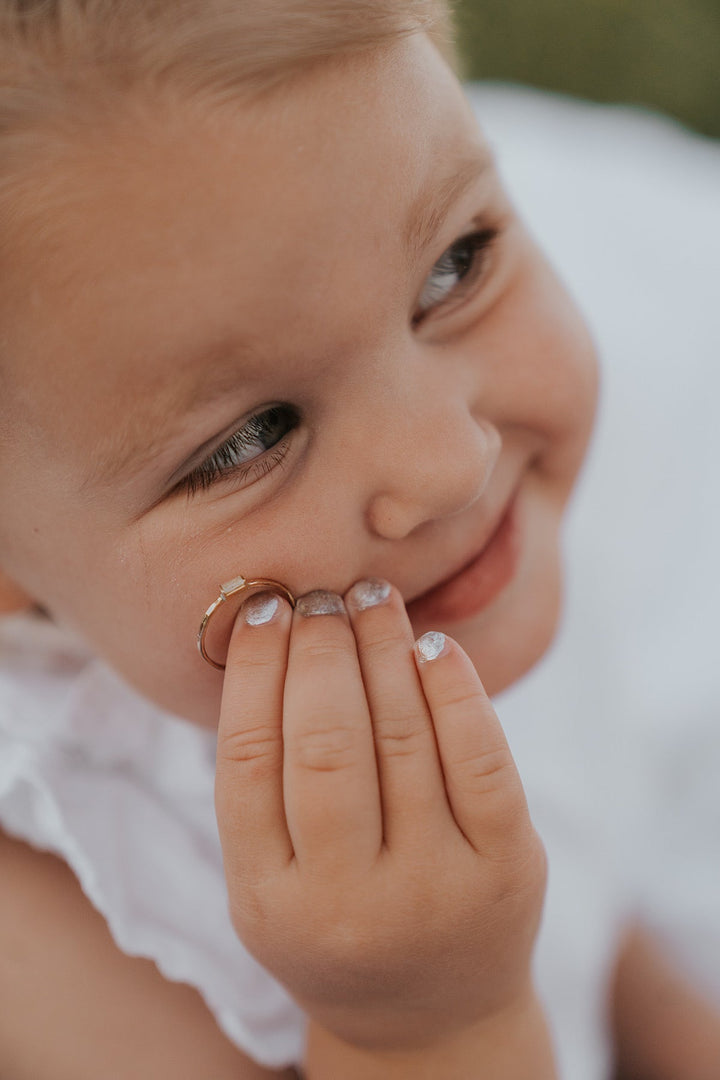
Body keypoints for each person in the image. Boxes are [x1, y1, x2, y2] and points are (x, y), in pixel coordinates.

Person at [0, 1, 718, 1076]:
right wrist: (425, 1027)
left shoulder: (469, 581)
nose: (451, 463)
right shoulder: (44, 919)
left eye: (454, 267)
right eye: (250, 439)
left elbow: (589, 916)